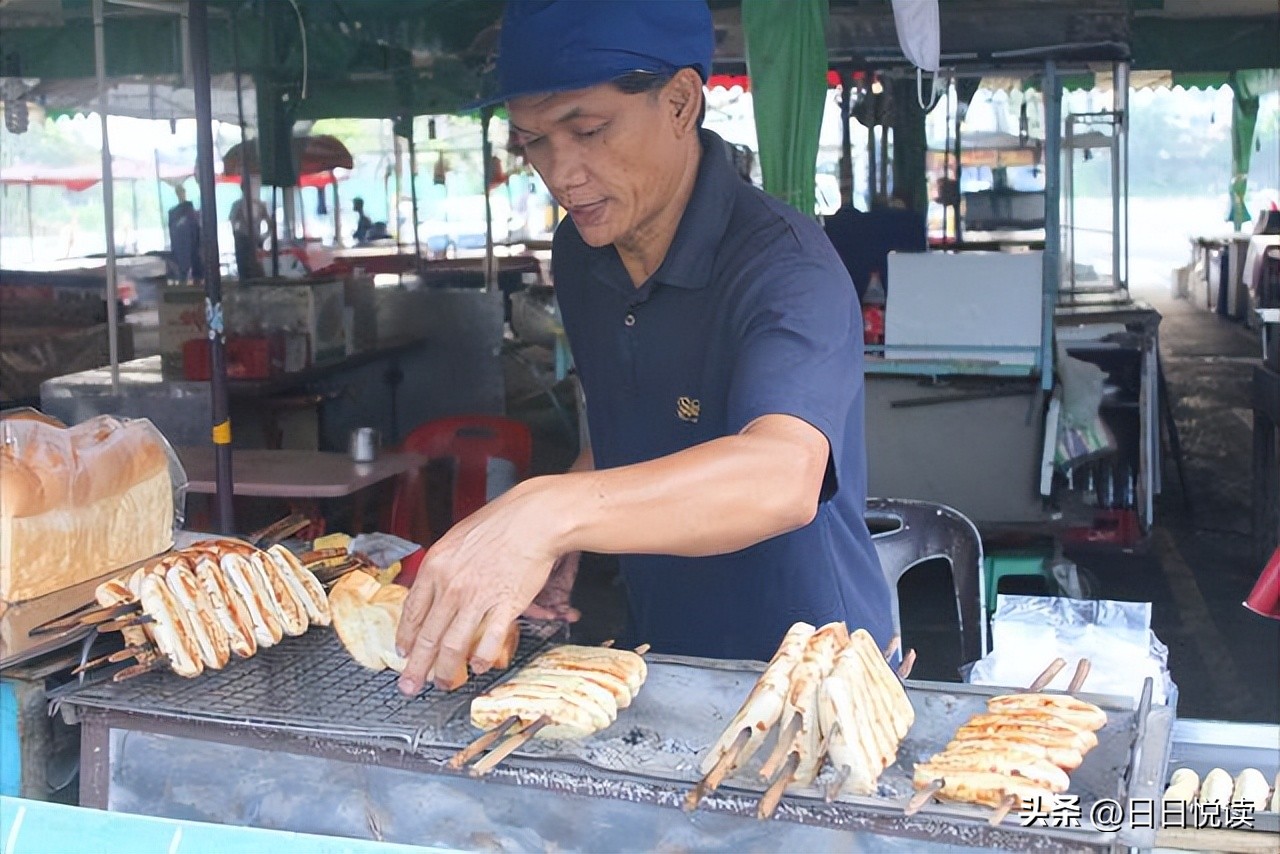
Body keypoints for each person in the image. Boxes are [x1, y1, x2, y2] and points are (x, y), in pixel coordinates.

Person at [393, 0, 892, 695]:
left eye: (589, 129)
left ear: (682, 101)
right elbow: (628, 419)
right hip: (661, 653)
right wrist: (563, 532)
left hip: (810, 666)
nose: (561, 174)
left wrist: (546, 513)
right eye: (532, 141)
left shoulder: (785, 267)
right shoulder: (582, 251)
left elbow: (783, 476)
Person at [166, 184, 203, 284]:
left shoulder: (192, 212)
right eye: (179, 192)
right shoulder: (174, 213)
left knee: (194, 269)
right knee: (184, 270)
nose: (180, 194)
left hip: (192, 247)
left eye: (182, 191)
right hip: (181, 248)